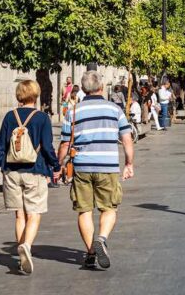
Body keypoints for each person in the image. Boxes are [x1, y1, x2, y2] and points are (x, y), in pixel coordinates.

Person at [57, 71, 134, 270]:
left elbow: (65, 143)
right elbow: (126, 139)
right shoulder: (114, 110)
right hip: (107, 166)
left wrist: (59, 164)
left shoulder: (73, 111)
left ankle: (91, 252)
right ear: (101, 87)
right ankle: (101, 238)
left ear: (83, 89)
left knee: (84, 210)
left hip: (82, 167)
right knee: (109, 208)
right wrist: (128, 163)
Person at [0, 80, 61, 275]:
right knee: (34, 213)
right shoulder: (42, 118)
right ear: (36, 95)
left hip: (11, 172)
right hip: (35, 171)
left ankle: (22, 255)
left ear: (19, 95)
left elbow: (1, 147)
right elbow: (47, 147)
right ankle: (26, 246)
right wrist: (56, 166)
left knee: (19, 215)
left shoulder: (9, 117)